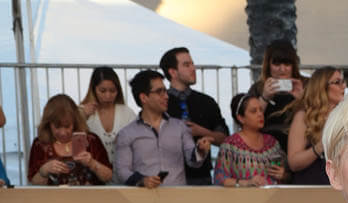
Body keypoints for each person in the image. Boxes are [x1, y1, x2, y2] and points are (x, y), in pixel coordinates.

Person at [114, 70, 210, 188]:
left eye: (165, 91)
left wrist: (200, 150)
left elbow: (193, 162)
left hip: (178, 196)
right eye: (160, 92)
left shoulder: (180, 127)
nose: (166, 96)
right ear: (144, 98)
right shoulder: (126, 134)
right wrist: (142, 181)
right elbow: (122, 171)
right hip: (144, 197)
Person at [159, 48, 229, 184]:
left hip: (201, 176)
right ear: (172, 72)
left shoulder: (207, 102)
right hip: (169, 178)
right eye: (186, 65)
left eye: (192, 64)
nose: (193, 68)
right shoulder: (160, 103)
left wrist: (201, 131)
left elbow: (225, 139)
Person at [27, 95, 112, 186]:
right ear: (48, 124)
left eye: (67, 126)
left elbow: (108, 177)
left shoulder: (91, 140)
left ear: (75, 122)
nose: (63, 133)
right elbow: (34, 183)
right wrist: (44, 171)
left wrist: (92, 163)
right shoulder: (40, 144)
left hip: (89, 195)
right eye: (57, 127)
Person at [287, 68, 346, 185]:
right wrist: (320, 146)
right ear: (322, 87)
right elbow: (293, 163)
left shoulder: (345, 116)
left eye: (343, 82)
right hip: (311, 186)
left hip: (339, 185)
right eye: (337, 82)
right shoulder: (304, 117)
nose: (343, 86)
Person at [214, 94, 288, 186]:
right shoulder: (230, 145)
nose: (260, 114)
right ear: (241, 118)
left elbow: (287, 175)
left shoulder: (272, 143)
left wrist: (283, 175)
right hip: (244, 195)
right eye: (254, 111)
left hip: (273, 194)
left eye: (261, 110)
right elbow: (219, 179)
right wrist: (246, 183)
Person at [248, 40, 305, 153]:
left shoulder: (305, 85)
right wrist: (264, 98)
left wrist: (302, 100)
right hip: (264, 147)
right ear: (268, 65)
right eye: (277, 64)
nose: (282, 69)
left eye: (287, 64)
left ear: (293, 66)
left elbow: (318, 119)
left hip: (299, 144)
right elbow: (247, 122)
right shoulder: (259, 88)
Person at [80, 67, 136, 167]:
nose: (108, 96)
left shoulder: (127, 112)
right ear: (93, 89)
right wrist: (82, 116)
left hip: (124, 170)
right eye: (102, 91)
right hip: (91, 172)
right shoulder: (82, 111)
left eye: (112, 91)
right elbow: (71, 142)